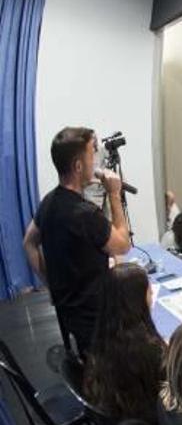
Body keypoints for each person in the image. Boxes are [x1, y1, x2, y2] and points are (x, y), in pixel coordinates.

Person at [23, 127, 130, 356]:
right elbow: (122, 245)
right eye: (93, 153)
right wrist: (114, 194)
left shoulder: (49, 202)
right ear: (79, 166)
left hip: (69, 317)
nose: (97, 160)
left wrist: (50, 282)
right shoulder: (85, 214)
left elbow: (29, 243)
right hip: (96, 324)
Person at [84, 263, 165, 423]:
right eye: (149, 290)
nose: (152, 293)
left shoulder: (104, 334)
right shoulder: (147, 349)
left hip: (119, 409)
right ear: (138, 299)